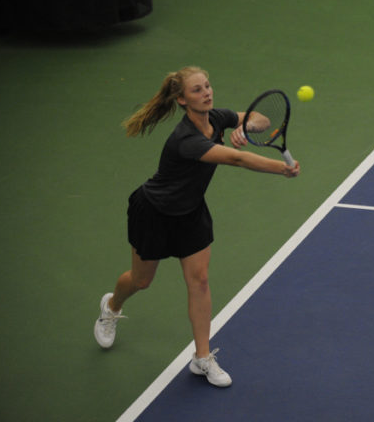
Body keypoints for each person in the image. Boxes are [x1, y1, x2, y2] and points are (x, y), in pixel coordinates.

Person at [94, 66, 300, 387]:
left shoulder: (216, 118)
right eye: (197, 90)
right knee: (141, 280)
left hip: (190, 212)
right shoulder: (185, 140)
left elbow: (261, 118)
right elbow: (236, 159)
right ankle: (111, 305)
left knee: (200, 281)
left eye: (207, 86)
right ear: (181, 100)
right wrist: (282, 168)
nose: (206, 93)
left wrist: (246, 127)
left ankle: (202, 358)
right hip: (155, 213)